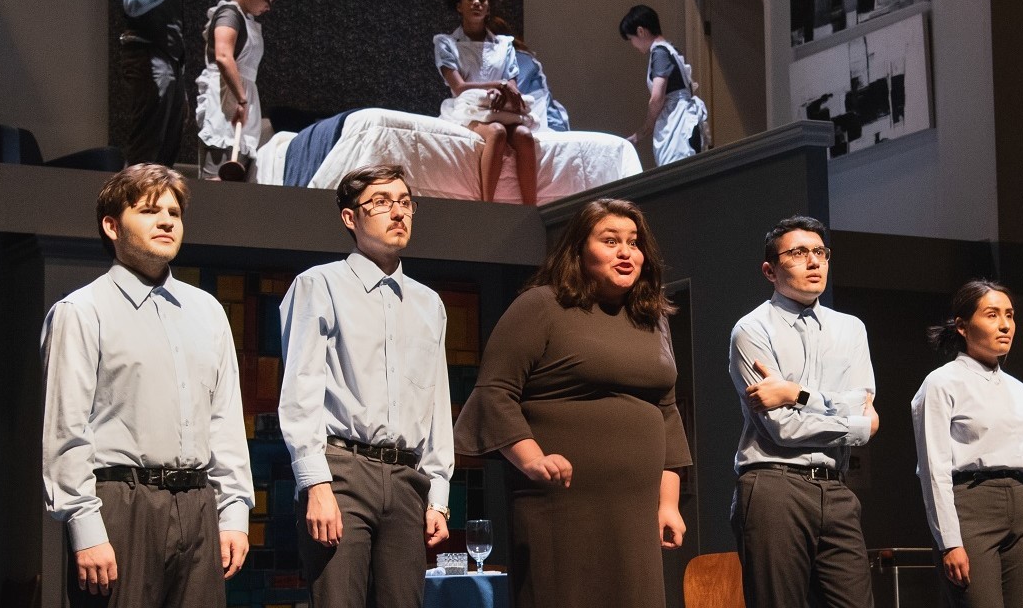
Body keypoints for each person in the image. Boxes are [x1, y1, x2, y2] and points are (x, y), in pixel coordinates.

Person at [453, 198, 692, 607]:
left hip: (635, 510)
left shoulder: (652, 317)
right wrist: (531, 459)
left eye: (633, 243)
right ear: (579, 250)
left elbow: (666, 411)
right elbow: (495, 392)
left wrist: (668, 503)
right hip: (560, 505)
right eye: (610, 240)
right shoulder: (541, 306)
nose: (625, 252)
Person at [41, 163, 252, 608]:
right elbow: (65, 432)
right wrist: (85, 528)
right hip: (122, 504)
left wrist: (234, 513)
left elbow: (225, 421)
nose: (166, 221)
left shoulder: (208, 311)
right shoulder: (81, 311)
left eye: (174, 212)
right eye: (149, 211)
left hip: (198, 504)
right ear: (112, 225)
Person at [278, 164, 454, 608]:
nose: (397, 212)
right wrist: (315, 484)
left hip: (406, 477)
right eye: (380, 202)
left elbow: (436, 401)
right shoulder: (319, 285)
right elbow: (300, 392)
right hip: (342, 470)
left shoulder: (428, 303)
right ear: (350, 218)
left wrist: (439, 496)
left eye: (404, 202)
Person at [727, 216, 878, 608]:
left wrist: (796, 393)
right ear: (770, 270)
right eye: (798, 253)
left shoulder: (851, 329)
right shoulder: (752, 330)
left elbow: (867, 418)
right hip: (775, 485)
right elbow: (783, 428)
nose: (813, 261)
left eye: (820, 252)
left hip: (837, 487)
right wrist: (846, 415)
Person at [913, 280, 1023, 608]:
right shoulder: (941, 383)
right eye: (992, 315)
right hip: (973, 507)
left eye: (1009, 315)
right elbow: (933, 469)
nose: (1005, 325)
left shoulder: (1019, 390)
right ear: (963, 327)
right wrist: (949, 541)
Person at [433, 0, 539, 204]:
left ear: (489, 6)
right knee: (497, 132)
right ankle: (486, 204)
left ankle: (531, 208)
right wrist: (496, 86)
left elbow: (511, 84)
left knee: (523, 135)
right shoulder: (446, 43)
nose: (477, 3)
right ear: (459, 5)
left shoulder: (504, 45)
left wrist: (504, 89)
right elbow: (458, 87)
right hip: (467, 109)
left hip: (500, 107)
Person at [117, 0, 211, 167]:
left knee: (165, 152)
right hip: (150, 57)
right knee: (147, 150)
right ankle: (135, 207)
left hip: (167, 61)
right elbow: (132, 3)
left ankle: (153, 206)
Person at [193, 0, 279, 180]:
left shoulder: (246, 18)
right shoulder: (229, 14)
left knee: (234, 180)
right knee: (218, 177)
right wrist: (241, 100)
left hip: (241, 98)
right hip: (226, 100)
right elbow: (223, 56)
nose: (268, 6)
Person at [618, 4, 709, 168]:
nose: (633, 44)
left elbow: (657, 98)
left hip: (677, 124)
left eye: (631, 39)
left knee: (675, 172)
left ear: (641, 31)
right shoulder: (670, 49)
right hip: (684, 119)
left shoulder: (659, 53)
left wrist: (646, 128)